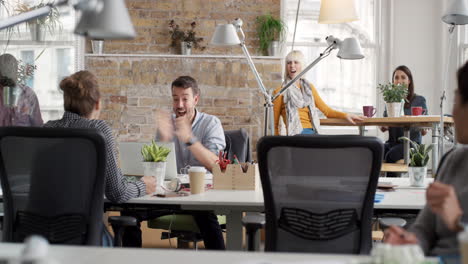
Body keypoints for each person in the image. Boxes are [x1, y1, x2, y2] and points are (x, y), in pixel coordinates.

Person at [122, 76, 226, 250]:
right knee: (129, 211)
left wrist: (189, 138)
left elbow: (216, 166)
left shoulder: (211, 123)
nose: (179, 105)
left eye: (185, 99)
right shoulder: (166, 124)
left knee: (206, 216)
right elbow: (157, 169)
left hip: (199, 196)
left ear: (196, 99)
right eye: (175, 98)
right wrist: (164, 138)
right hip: (170, 195)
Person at [384, 61, 468, 256]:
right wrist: (410, 242)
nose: (453, 113)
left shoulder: (418, 100)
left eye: (457, 101)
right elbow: (424, 229)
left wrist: (458, 223)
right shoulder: (453, 160)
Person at [44, 70, 156, 203]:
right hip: (78, 222)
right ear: (98, 103)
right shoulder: (98, 130)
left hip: (35, 221)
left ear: (66, 102)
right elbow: (117, 193)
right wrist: (143, 185)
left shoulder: (47, 129)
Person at [273, 50, 364, 135]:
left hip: (313, 132)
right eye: (289, 63)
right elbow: (274, 125)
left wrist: (346, 115)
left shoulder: (309, 88)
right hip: (296, 136)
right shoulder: (279, 92)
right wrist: (276, 146)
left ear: (302, 66)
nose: (292, 65)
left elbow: (327, 112)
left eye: (296, 62)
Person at [381, 65, 428, 176]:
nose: (399, 80)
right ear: (393, 81)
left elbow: (424, 129)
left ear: (409, 81)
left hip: (411, 145)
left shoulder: (419, 100)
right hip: (392, 143)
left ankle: (391, 184)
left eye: (403, 77)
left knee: (391, 155)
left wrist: (422, 127)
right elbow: (384, 125)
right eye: (396, 78)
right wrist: (384, 126)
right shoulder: (390, 100)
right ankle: (376, 185)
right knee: (376, 149)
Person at [0, 53, 43, 126]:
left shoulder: (28, 94)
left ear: (16, 71)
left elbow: (38, 127)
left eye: (11, 69)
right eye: (5, 69)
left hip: (25, 137)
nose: (9, 73)